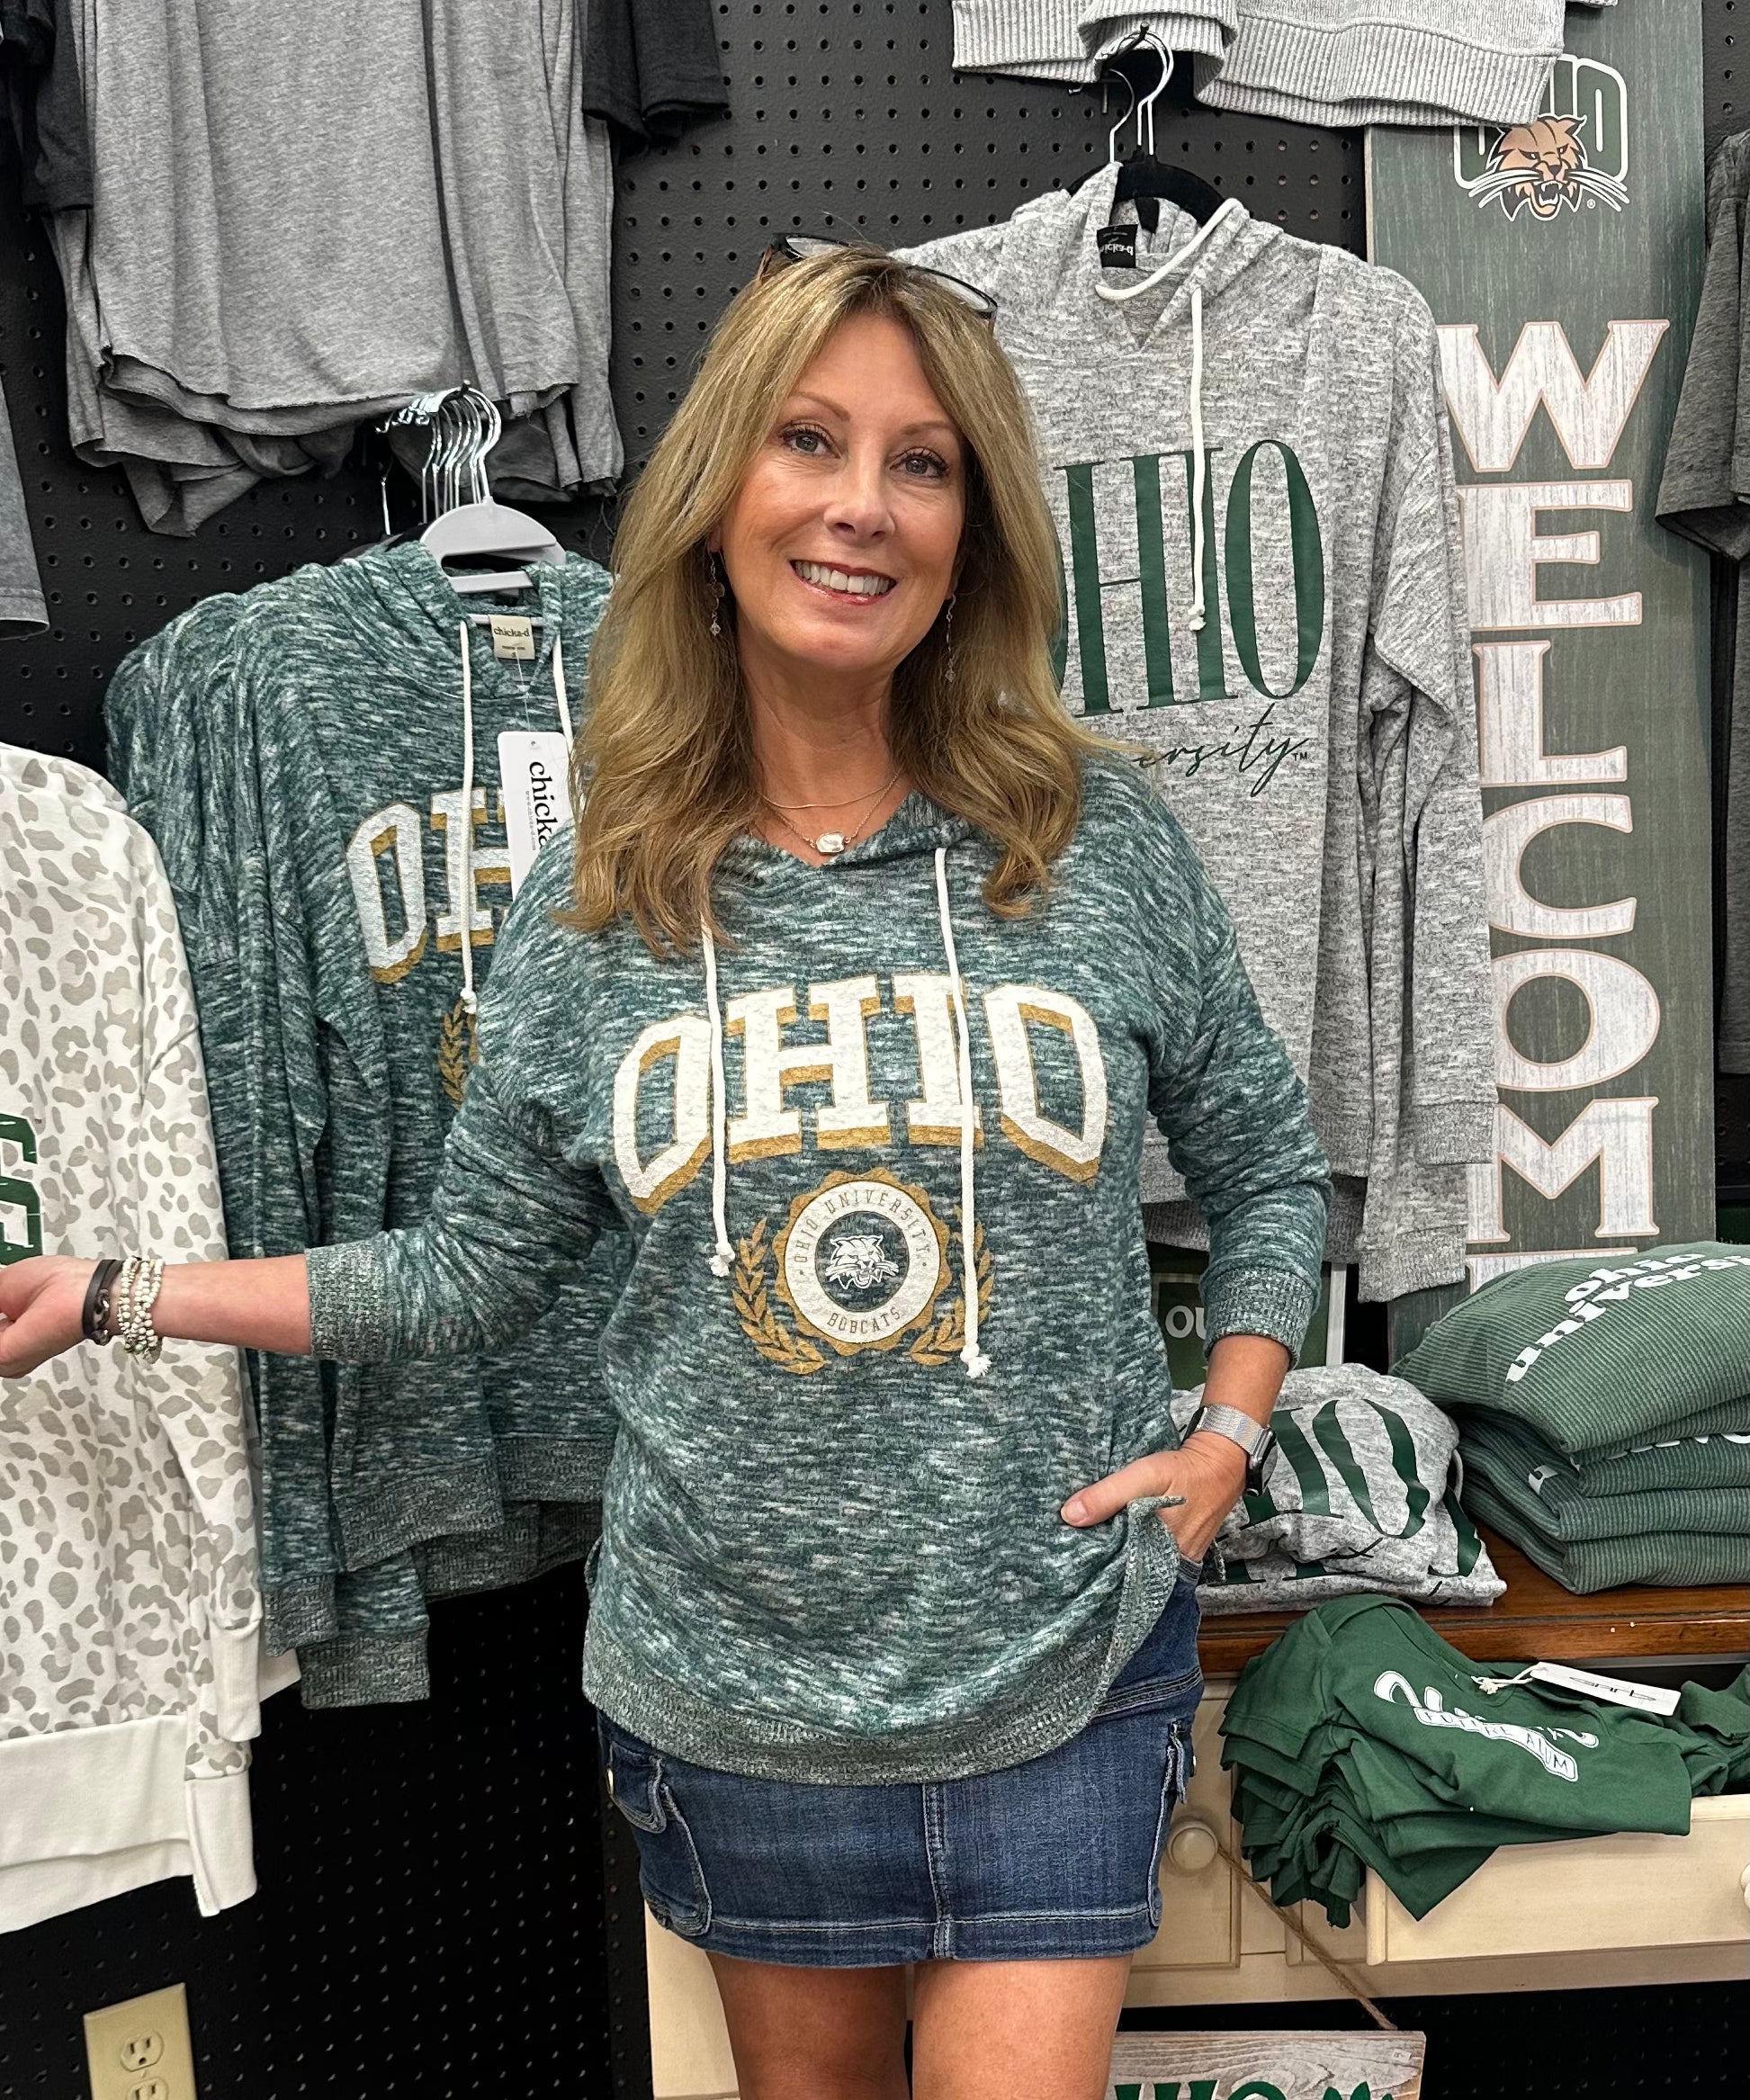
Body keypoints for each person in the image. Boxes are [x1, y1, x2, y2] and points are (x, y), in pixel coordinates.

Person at [0, 245, 1330, 2100]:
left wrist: (1230, 1435)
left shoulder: (1090, 839)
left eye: (923, 461)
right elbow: (462, 1275)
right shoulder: (606, 895)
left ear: (977, 526)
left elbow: (1271, 1171)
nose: (861, 504)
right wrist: (113, 1292)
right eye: (809, 440)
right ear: (716, 499)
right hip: (736, 1703)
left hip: (1059, 1672)